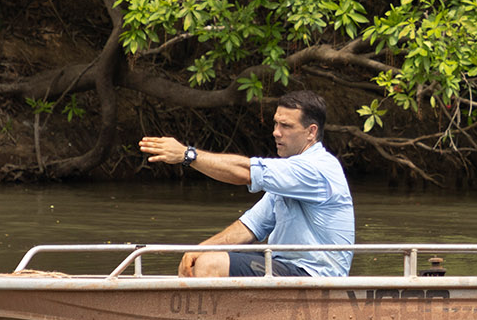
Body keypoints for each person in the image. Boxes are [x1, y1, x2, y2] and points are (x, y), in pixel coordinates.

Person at [139, 91, 355, 277]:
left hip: (315, 275)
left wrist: (188, 155)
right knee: (203, 258)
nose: (276, 132)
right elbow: (250, 227)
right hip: (286, 266)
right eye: (276, 123)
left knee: (210, 264)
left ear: (311, 132)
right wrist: (197, 250)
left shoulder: (315, 168)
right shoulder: (288, 177)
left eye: (286, 126)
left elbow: (245, 172)